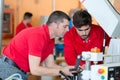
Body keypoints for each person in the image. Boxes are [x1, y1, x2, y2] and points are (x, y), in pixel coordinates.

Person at [0, 11, 74, 80]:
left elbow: (50, 65)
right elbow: (35, 70)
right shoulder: (38, 36)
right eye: (65, 26)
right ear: (54, 25)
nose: (68, 30)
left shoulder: (50, 39)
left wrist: (68, 69)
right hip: (9, 68)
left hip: (20, 71)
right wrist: (62, 71)